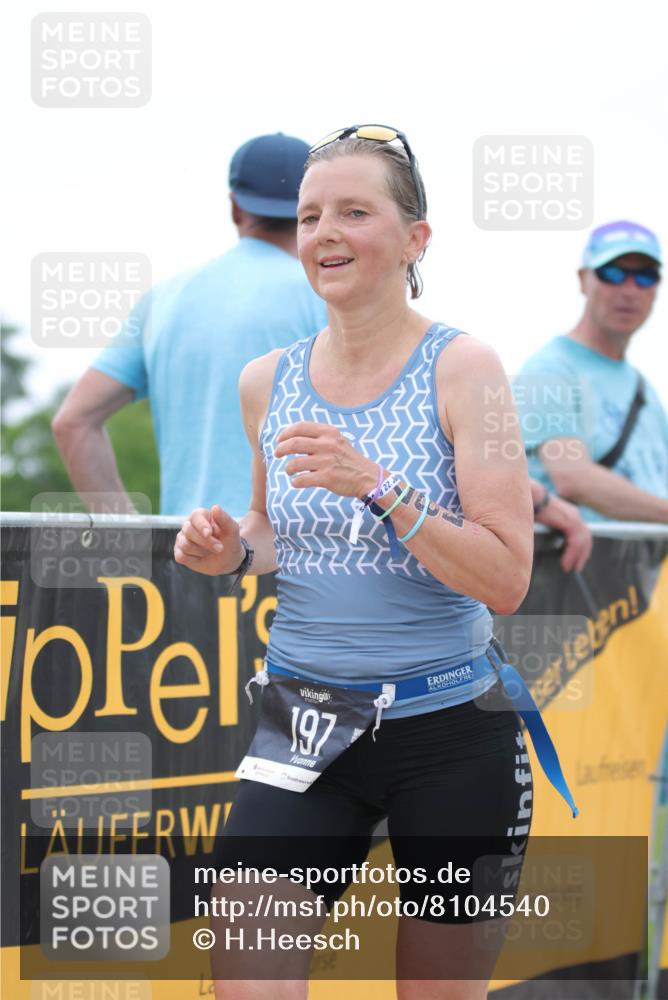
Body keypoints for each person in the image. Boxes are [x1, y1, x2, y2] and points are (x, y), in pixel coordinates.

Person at [174, 125, 577, 999]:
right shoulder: (265, 381)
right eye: (313, 213)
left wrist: (380, 488)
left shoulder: (468, 369)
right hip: (306, 724)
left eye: (355, 212)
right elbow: (269, 529)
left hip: (450, 734)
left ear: (414, 240)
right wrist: (230, 549)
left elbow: (506, 577)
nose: (325, 232)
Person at [52, 133, 328, 517]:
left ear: (235, 208)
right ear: (312, 210)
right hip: (303, 559)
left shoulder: (163, 299)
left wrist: (135, 541)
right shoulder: (330, 294)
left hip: (188, 555)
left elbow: (74, 422)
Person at [514, 220, 668, 523]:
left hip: (644, 567)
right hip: (575, 567)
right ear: (584, 280)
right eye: (612, 273)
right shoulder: (550, 371)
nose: (629, 290)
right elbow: (573, 478)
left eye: (645, 277)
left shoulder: (645, 389)